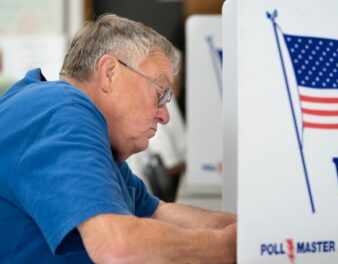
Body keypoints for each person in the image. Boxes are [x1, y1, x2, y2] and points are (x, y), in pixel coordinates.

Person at [0, 14, 236, 263]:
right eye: (160, 94)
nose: (165, 116)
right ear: (110, 73)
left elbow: (157, 212)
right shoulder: (62, 111)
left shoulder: (91, 136)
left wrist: (253, 234)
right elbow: (118, 247)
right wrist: (230, 247)